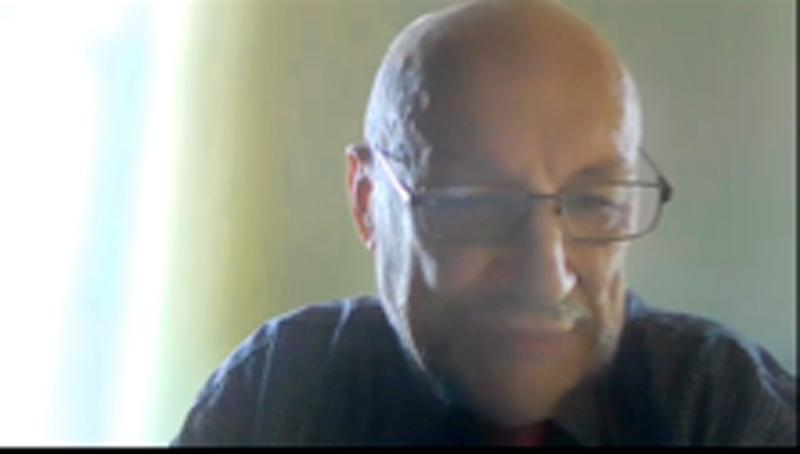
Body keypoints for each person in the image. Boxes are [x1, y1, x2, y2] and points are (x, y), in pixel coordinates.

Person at [171, 0, 796, 446]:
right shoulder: (282, 393)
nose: (546, 278)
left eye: (593, 201)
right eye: (475, 203)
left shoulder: (718, 406)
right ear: (367, 202)